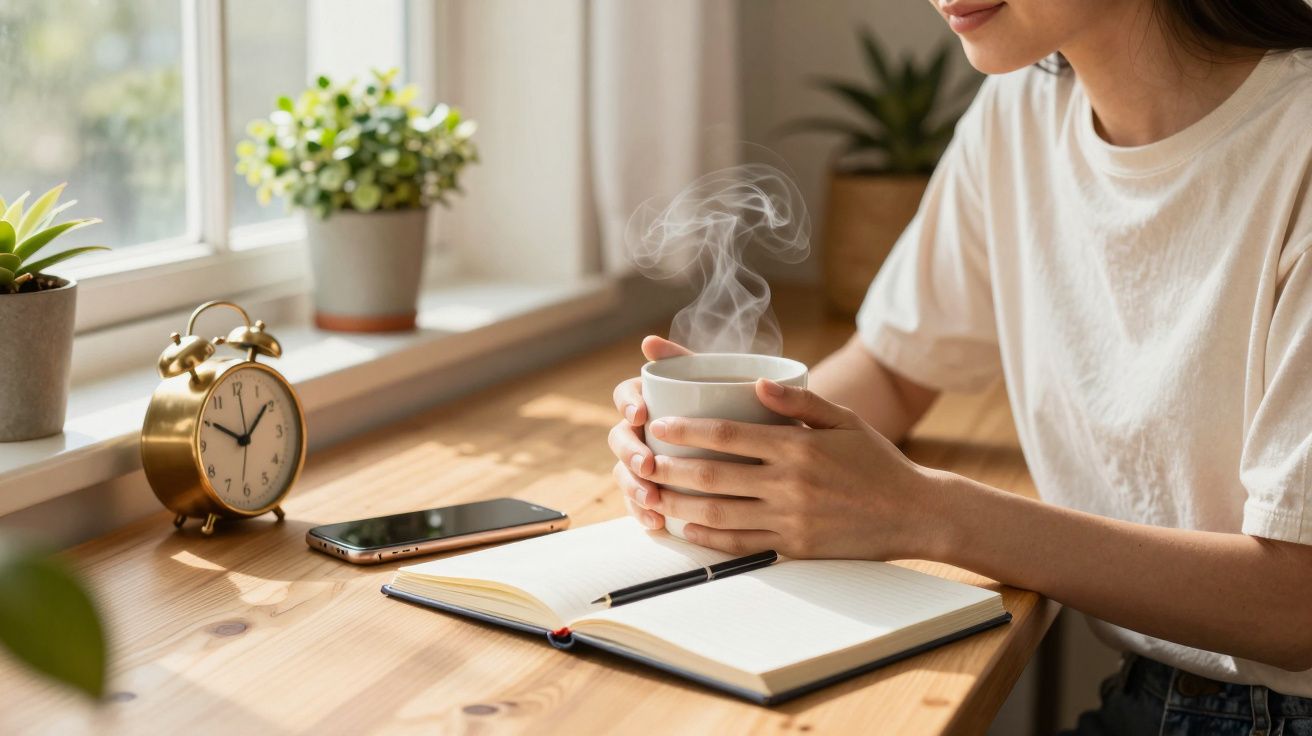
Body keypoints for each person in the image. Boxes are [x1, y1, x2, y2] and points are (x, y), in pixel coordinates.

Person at [607, 0, 1312, 733]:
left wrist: (926, 512)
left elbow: (1298, 604)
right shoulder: (1021, 110)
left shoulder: (1297, 143)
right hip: (1150, 693)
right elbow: (891, 369)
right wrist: (722, 449)